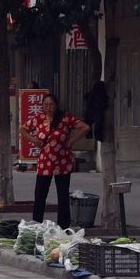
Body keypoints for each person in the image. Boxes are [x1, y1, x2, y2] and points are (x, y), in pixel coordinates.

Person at [25, 92, 89, 228]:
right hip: (44, 162)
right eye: (46, 105)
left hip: (62, 161)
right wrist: (33, 140)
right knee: (40, 195)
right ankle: (37, 225)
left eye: (51, 104)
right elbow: (23, 129)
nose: (49, 107)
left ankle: (64, 227)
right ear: (42, 106)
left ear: (56, 105)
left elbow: (85, 127)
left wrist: (72, 141)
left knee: (63, 195)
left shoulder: (65, 118)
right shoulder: (38, 119)